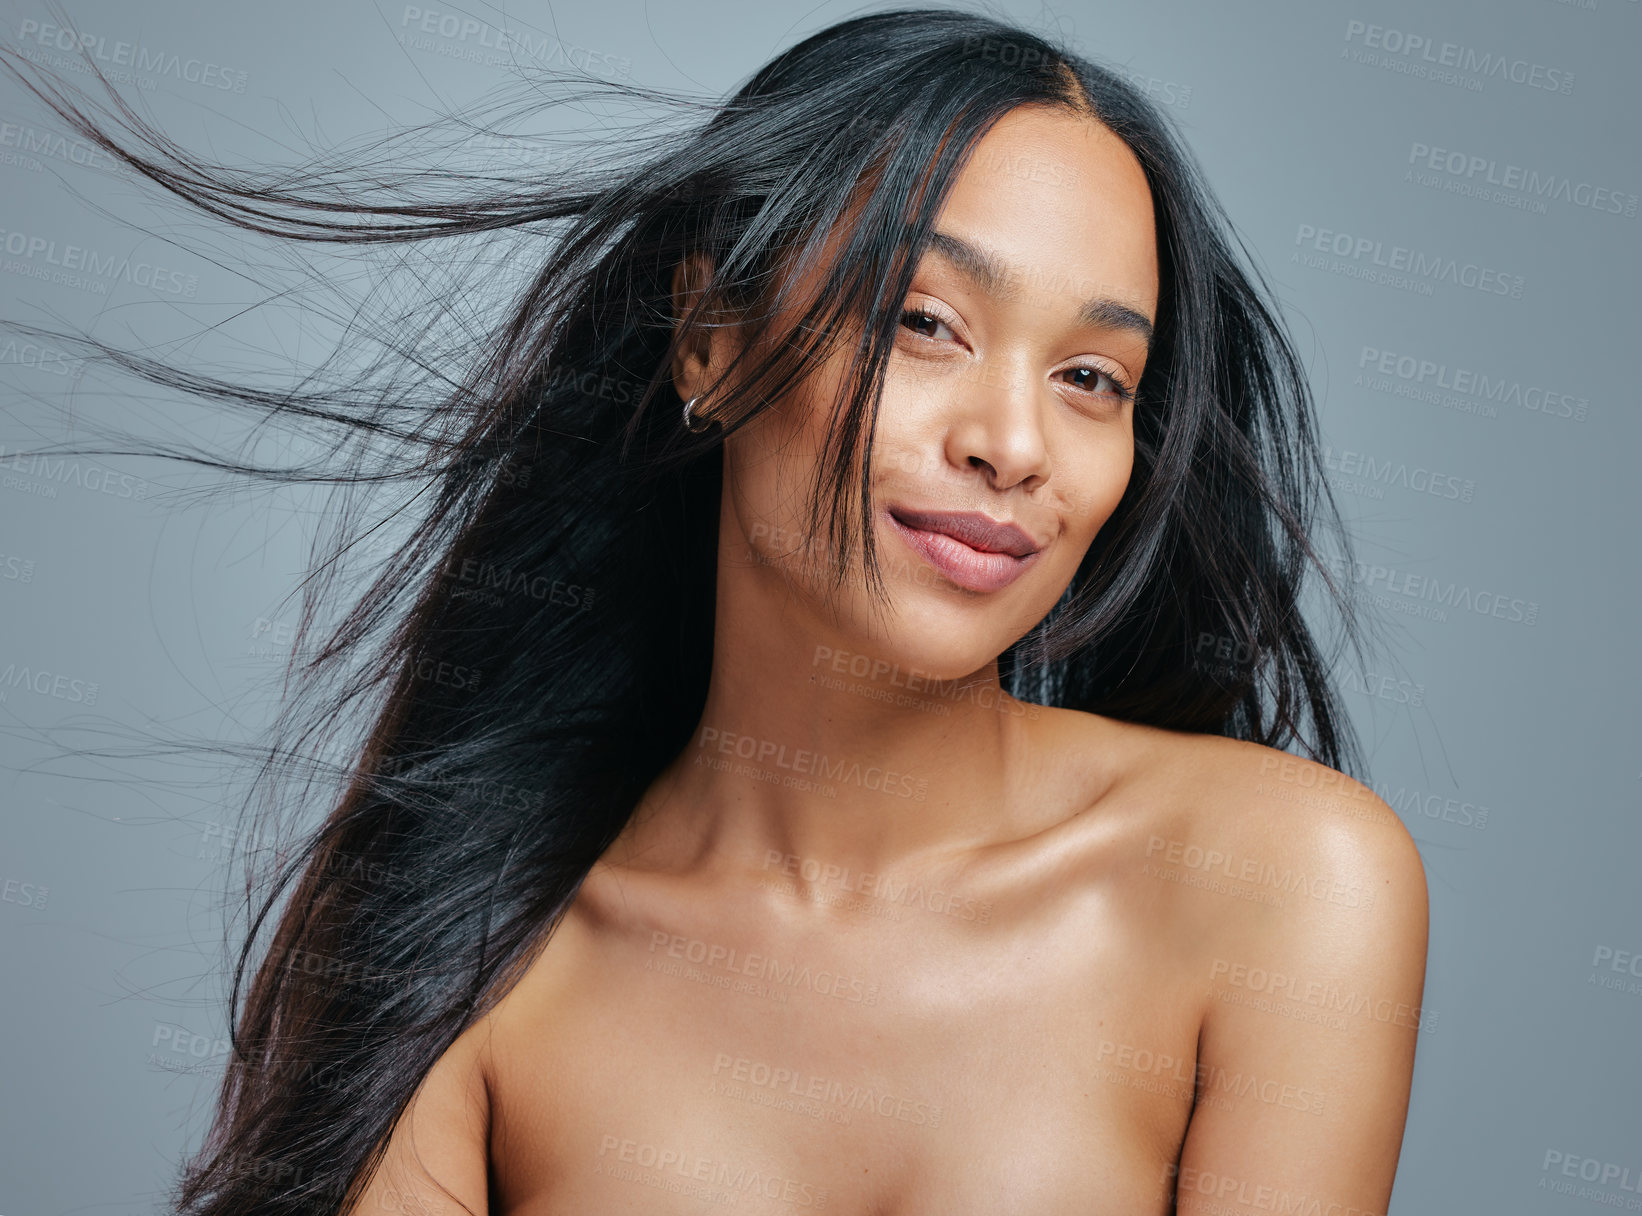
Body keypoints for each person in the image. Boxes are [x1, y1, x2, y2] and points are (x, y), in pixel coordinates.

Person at [5, 8, 1427, 1214]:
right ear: (710, 336)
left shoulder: (1279, 886)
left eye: (1090, 379)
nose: (1015, 445)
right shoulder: (462, 962)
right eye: (924, 323)